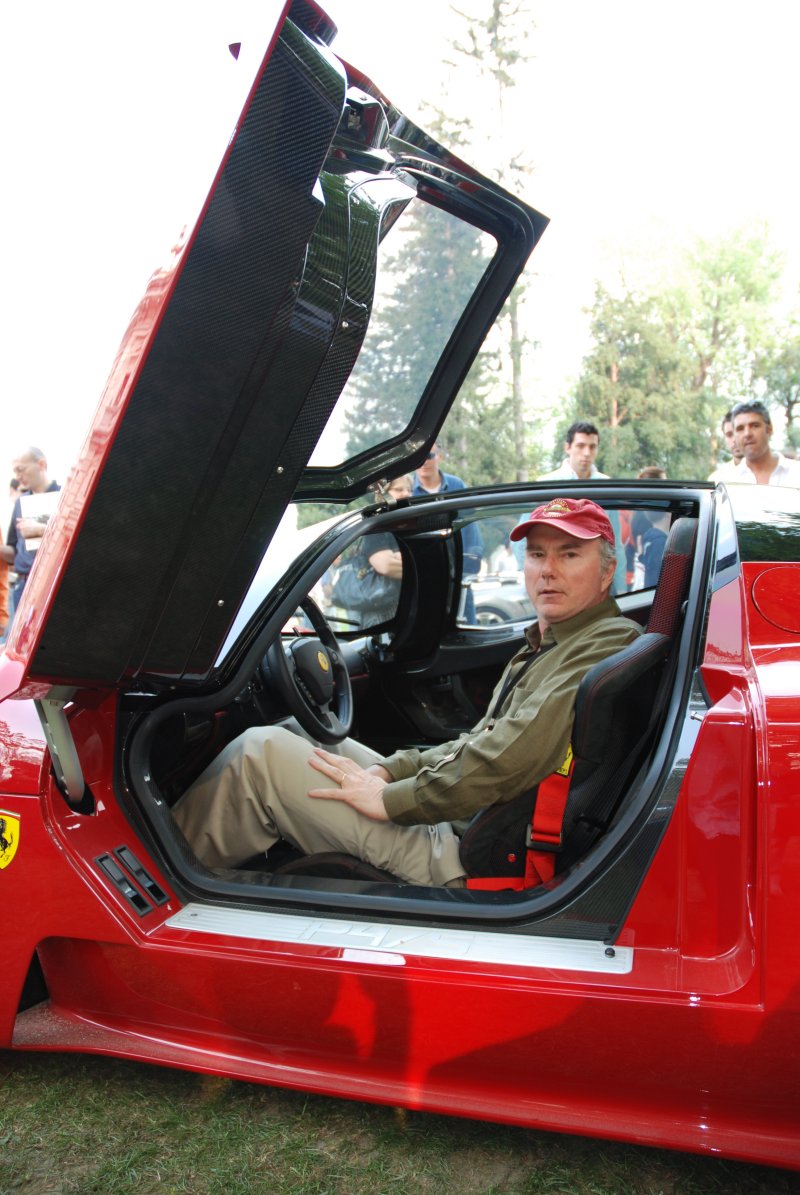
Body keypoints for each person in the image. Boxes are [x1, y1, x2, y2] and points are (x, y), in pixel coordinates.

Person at [172, 497, 642, 887]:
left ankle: (163, 879)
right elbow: (476, 743)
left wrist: (392, 799)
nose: (547, 570)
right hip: (468, 820)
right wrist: (387, 769)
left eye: (569, 554)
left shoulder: (600, 645)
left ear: (606, 572)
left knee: (261, 754)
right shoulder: (550, 646)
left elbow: (510, 758)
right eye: (537, 554)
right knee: (302, 733)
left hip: (464, 854)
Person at [413, 442, 483, 619]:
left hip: (458, 575)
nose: (424, 462)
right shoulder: (407, 492)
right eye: (417, 457)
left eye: (429, 456)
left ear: (439, 457)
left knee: (467, 625)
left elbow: (470, 526)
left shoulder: (456, 485)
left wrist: (468, 563)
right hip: (424, 579)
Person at [0, 448, 60, 631]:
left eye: (21, 469)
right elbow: (13, 552)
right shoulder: (21, 502)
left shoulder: (64, 496)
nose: (18, 476)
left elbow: (75, 536)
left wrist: (43, 530)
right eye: (15, 472)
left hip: (54, 583)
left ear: (41, 464)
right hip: (24, 585)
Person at [726, 401, 800, 486]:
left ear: (769, 429)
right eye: (740, 428)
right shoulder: (729, 482)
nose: (747, 434)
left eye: (755, 425)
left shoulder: (796, 472)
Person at [538, 421, 606, 482]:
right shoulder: (547, 483)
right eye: (580, 446)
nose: (587, 453)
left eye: (592, 447)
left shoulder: (607, 484)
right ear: (567, 448)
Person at [708, 410, 743, 482]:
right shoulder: (717, 479)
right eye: (729, 435)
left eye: (739, 432)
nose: (735, 440)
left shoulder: (770, 475)